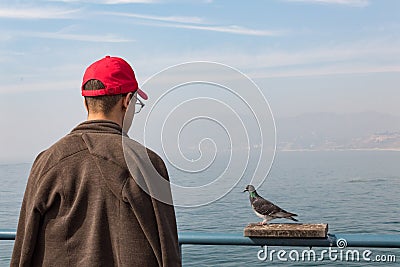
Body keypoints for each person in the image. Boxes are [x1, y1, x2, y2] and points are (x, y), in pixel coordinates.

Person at [11, 56, 181, 266]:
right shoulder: (147, 164)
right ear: (126, 101)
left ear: (85, 103)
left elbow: (23, 248)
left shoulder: (46, 161)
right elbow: (168, 251)